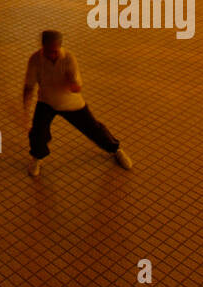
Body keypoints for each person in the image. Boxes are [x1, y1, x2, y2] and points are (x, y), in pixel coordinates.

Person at [23, 30, 133, 178]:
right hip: (46, 101)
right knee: (38, 132)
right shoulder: (35, 59)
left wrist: (70, 83)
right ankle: (37, 157)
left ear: (60, 47)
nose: (51, 55)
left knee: (93, 128)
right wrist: (26, 107)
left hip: (70, 102)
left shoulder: (69, 59)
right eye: (48, 51)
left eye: (54, 52)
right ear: (42, 46)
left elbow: (77, 88)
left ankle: (115, 149)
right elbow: (29, 86)